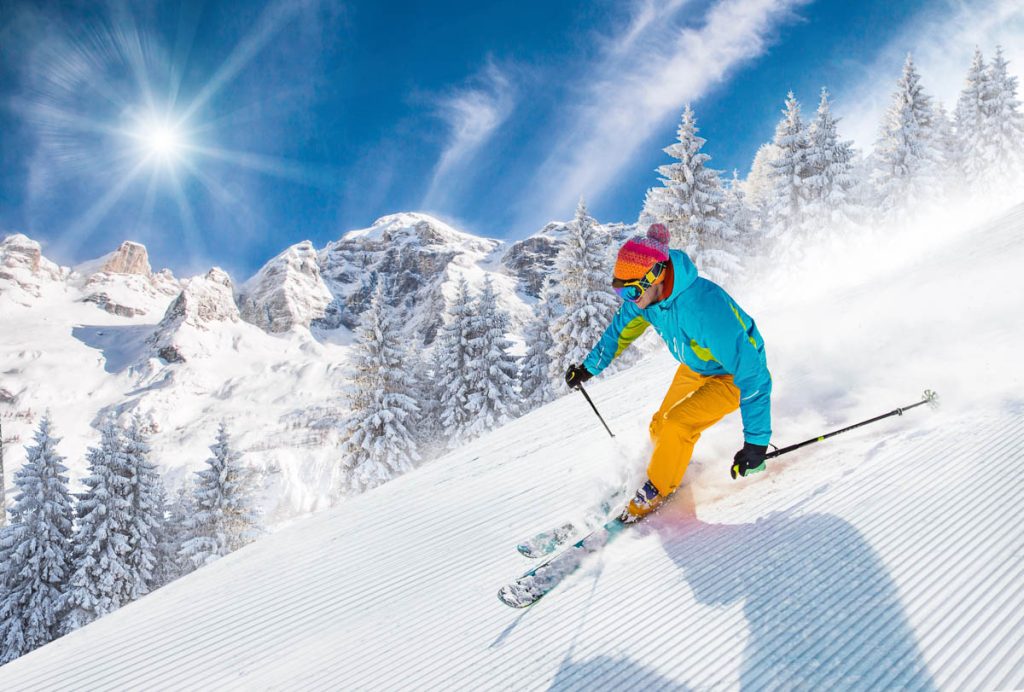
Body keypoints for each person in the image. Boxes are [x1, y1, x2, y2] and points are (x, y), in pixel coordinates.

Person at [564, 223, 772, 523]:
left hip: (732, 374)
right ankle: (667, 465)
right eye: (621, 290)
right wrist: (588, 368)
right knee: (660, 425)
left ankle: (658, 489)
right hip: (697, 366)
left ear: (656, 275)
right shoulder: (646, 300)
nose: (629, 298)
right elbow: (618, 333)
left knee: (677, 424)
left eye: (632, 290)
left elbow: (753, 374)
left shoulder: (704, 308)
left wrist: (756, 443)